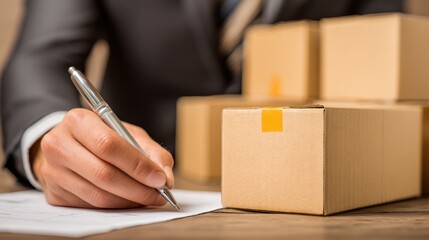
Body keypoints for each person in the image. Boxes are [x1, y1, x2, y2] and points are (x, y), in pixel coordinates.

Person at [1, 0, 403, 209]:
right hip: (143, 180)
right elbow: (40, 57)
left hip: (311, 176)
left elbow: (388, 56)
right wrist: (47, 138)